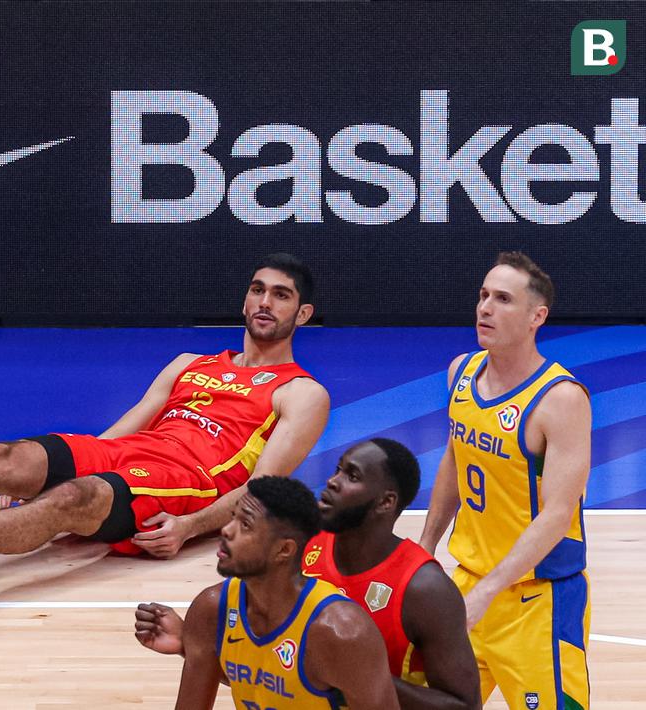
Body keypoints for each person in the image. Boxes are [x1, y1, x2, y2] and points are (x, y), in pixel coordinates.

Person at [0, 253, 330, 569]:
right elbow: (127, 427)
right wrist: (54, 467)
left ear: (301, 313)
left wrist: (191, 527)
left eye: (281, 296)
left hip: (182, 481)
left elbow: (263, 487)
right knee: (11, 458)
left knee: (75, 496)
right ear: (243, 300)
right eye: (258, 290)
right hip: (131, 452)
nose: (265, 302)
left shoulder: (301, 393)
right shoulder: (191, 362)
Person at [136, 439, 480, 710]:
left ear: (385, 503)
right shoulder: (299, 545)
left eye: (352, 476)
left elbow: (464, 706)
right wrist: (197, 645)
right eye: (338, 469)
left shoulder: (424, 588)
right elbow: (280, 669)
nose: (332, 481)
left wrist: (358, 675)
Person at [420, 252, 592, 710]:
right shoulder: (462, 372)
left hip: (537, 601)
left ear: (538, 316)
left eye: (502, 299)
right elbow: (455, 460)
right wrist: (425, 547)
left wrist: (489, 591)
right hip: (467, 582)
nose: (485, 308)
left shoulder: (561, 401)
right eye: (482, 296)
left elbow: (557, 515)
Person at [165, 475, 399, 709]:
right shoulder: (212, 609)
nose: (226, 530)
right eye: (233, 517)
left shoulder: (342, 633)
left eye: (245, 525)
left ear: (283, 550)